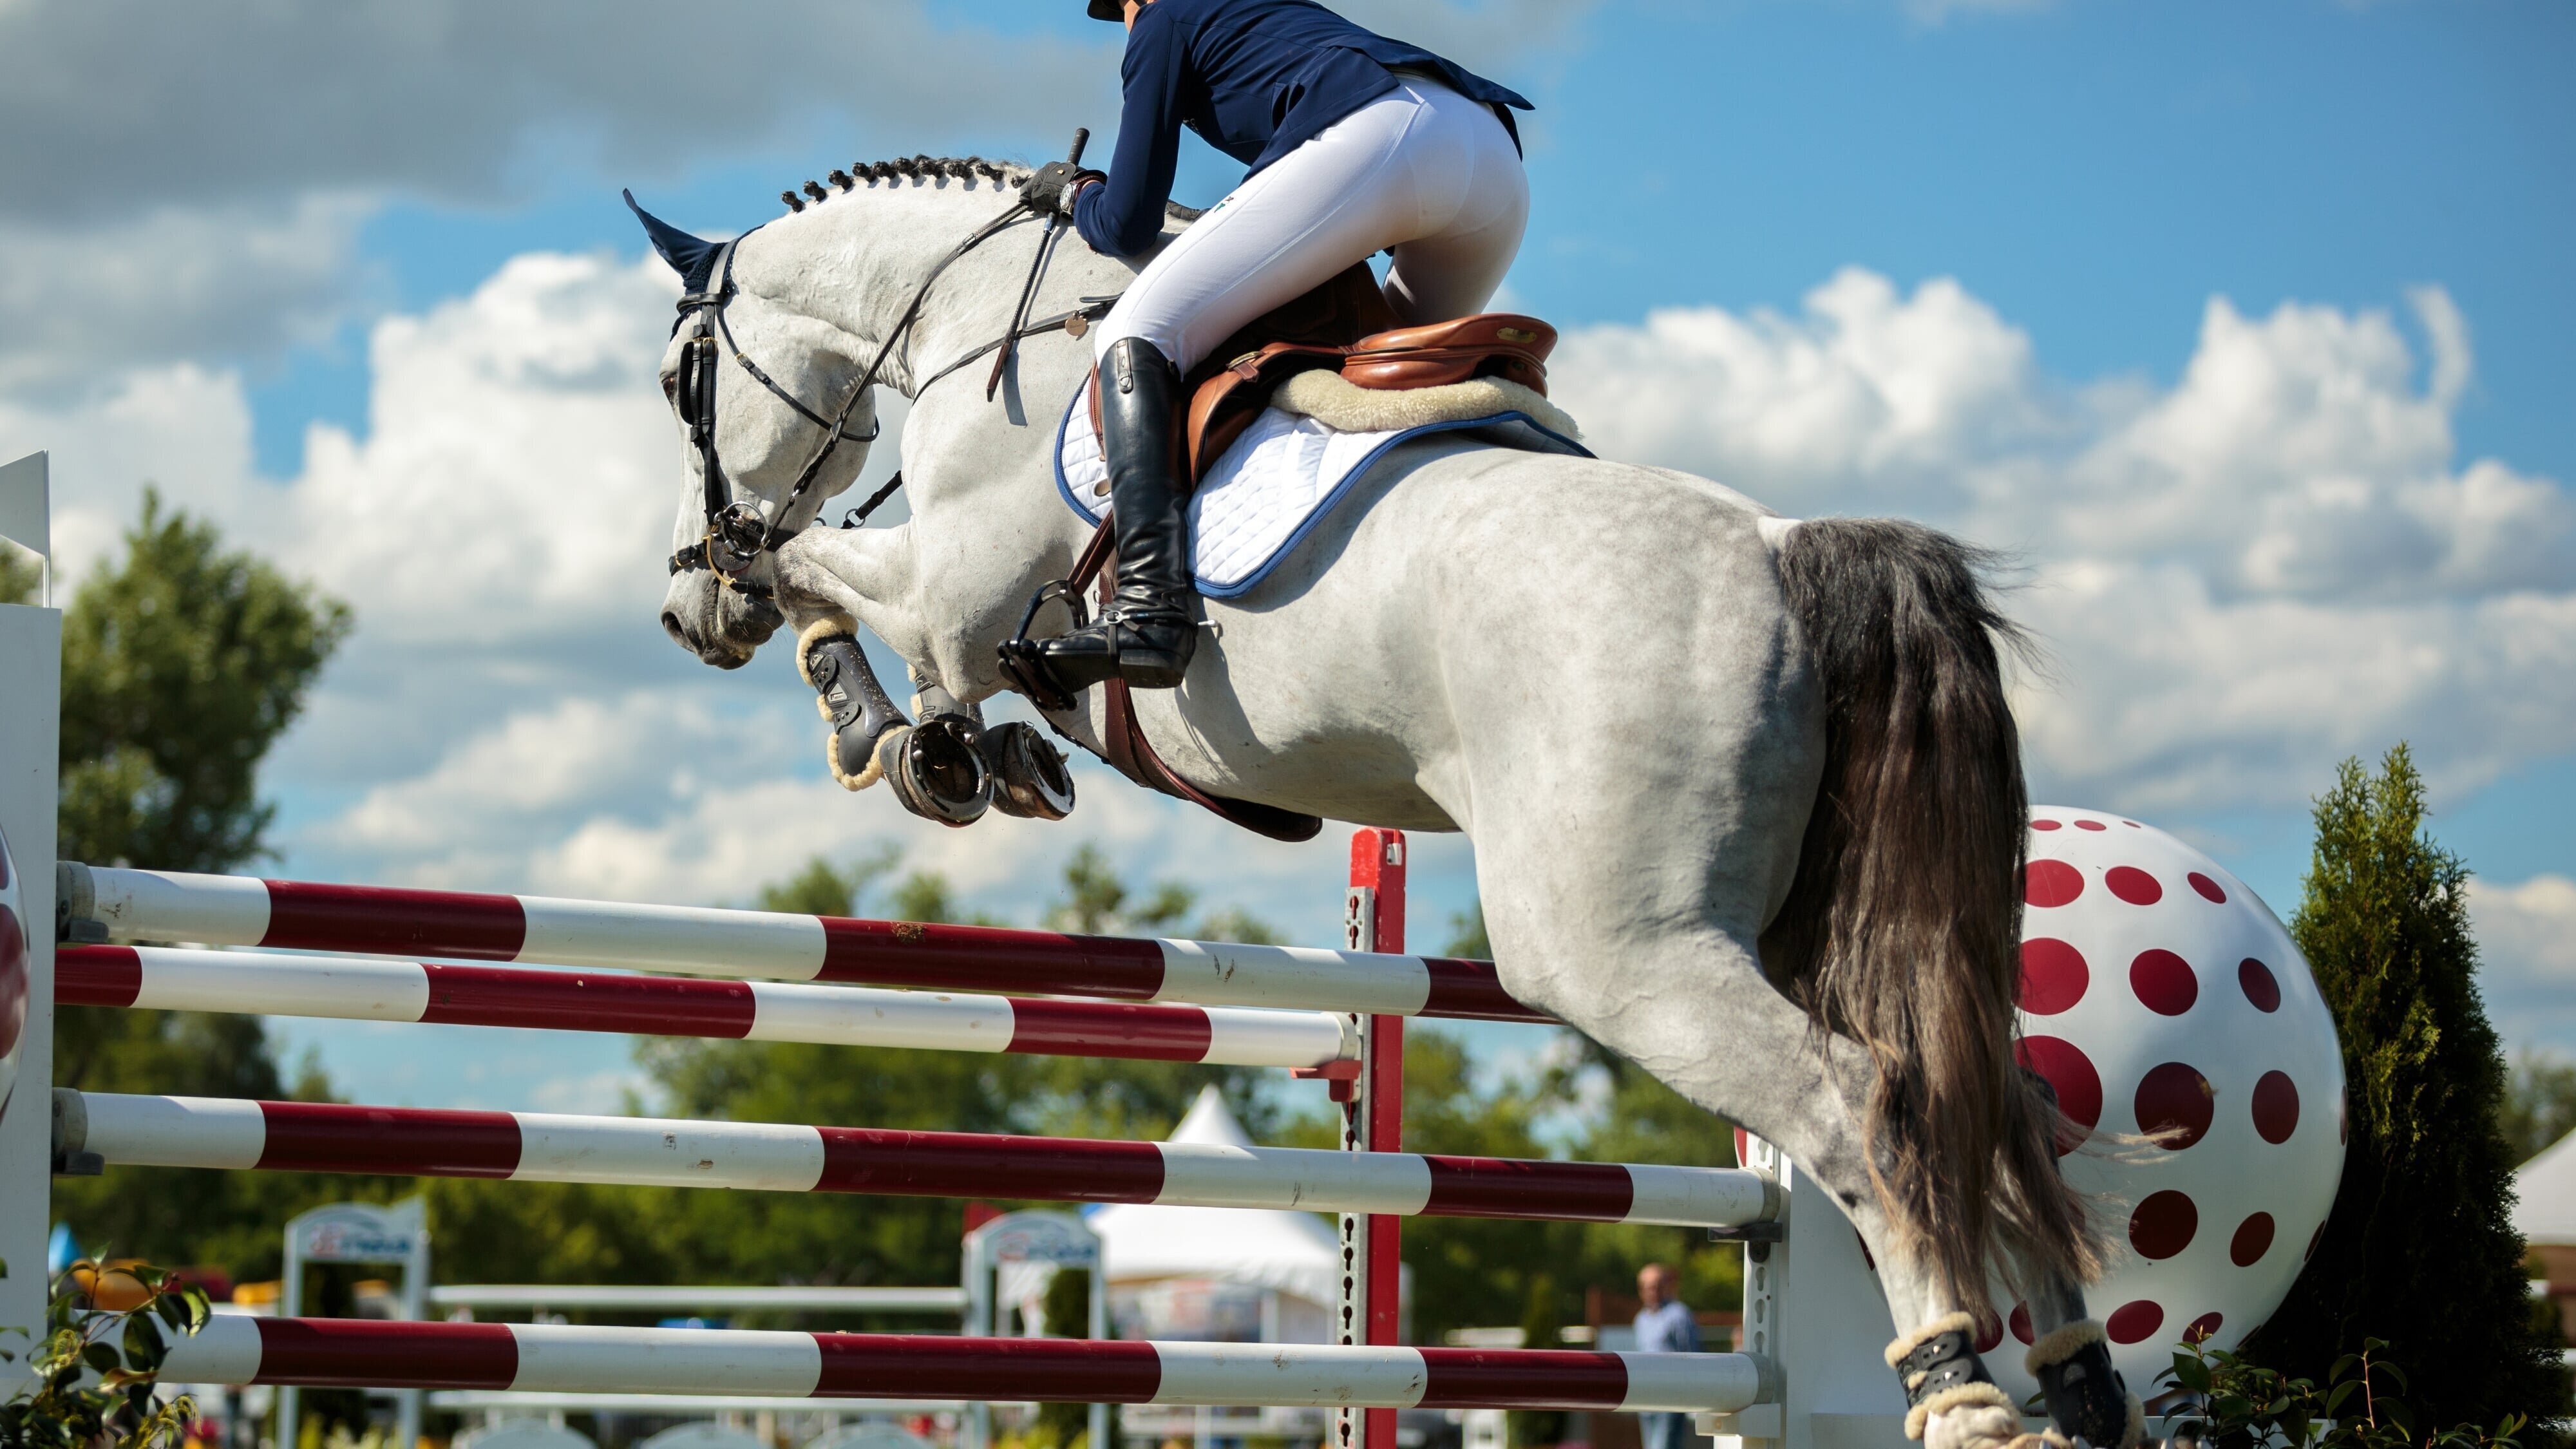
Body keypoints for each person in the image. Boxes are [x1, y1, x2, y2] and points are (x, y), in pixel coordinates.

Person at [1018, 0, 1534, 693]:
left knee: (1136, 330)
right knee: (1390, 383)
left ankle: (1147, 609)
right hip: (1490, 160)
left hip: (1385, 135)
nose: (1124, 18)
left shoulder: (1162, 18)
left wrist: (1077, 192)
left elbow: (1127, 221)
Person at [1633, 1262, 1703, 1449]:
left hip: (1670, 1398)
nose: (1652, 1291)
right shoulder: (1641, 1319)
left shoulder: (1679, 1315)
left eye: (1656, 1286)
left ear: (1665, 1286)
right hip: (1646, 1399)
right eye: (1647, 1287)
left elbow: (1692, 1354)